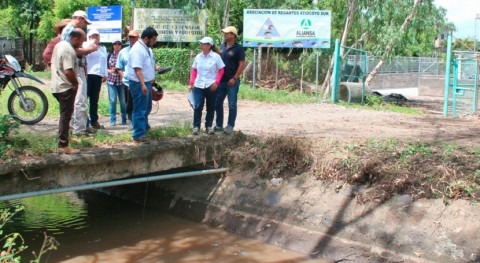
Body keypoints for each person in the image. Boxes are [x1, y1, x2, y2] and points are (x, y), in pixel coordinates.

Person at [61, 10, 99, 137]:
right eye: (84, 21)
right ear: (79, 18)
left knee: (78, 99)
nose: (84, 24)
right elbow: (73, 51)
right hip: (74, 68)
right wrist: (90, 49)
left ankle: (78, 126)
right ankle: (79, 129)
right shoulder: (70, 31)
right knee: (80, 100)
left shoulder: (69, 30)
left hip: (77, 67)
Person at [50, 28, 85, 154]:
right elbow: (68, 70)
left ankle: (65, 137)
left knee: (65, 114)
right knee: (66, 115)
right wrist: (75, 83)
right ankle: (63, 145)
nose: (81, 44)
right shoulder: (69, 50)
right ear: (75, 38)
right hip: (65, 86)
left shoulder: (59, 45)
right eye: (81, 41)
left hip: (56, 84)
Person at [126, 27, 162, 142]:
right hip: (138, 83)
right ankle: (138, 134)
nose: (155, 42)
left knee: (147, 107)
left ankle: (144, 128)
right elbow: (137, 69)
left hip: (146, 82)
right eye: (154, 39)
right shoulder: (137, 50)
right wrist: (143, 85)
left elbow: (148, 66)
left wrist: (153, 77)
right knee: (140, 109)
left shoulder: (147, 49)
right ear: (147, 38)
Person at [189, 36, 225, 135]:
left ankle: (208, 126)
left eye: (203, 44)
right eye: (200, 44)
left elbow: (221, 70)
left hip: (211, 84)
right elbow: (194, 71)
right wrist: (191, 83)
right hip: (199, 84)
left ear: (209, 45)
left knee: (211, 106)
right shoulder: (198, 57)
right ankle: (196, 126)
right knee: (198, 106)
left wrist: (216, 82)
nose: (201, 45)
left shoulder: (216, 57)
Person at [214, 26, 245, 134]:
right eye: (224, 33)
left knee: (232, 104)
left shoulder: (239, 49)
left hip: (232, 81)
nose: (224, 35)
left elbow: (242, 64)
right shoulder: (223, 46)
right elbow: (221, 59)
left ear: (233, 35)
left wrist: (235, 78)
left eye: (227, 33)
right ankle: (219, 125)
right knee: (218, 103)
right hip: (222, 80)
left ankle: (230, 126)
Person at [115, 30, 140, 129]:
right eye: (130, 37)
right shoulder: (123, 52)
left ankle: (139, 121)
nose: (132, 39)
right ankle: (130, 120)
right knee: (128, 102)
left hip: (139, 81)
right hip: (128, 82)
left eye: (134, 37)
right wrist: (123, 76)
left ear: (138, 38)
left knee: (139, 102)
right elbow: (119, 67)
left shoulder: (141, 50)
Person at [84, 28, 107, 129]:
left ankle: (94, 120)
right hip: (88, 74)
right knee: (85, 98)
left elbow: (104, 61)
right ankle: (85, 121)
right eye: (93, 36)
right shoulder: (85, 45)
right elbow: (84, 55)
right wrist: (91, 44)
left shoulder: (102, 48)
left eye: (97, 36)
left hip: (98, 75)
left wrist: (105, 74)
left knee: (95, 99)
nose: (95, 38)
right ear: (89, 37)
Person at [107, 37, 126, 126]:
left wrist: (120, 70)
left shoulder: (124, 55)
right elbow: (104, 67)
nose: (117, 46)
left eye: (119, 44)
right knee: (113, 100)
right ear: (113, 45)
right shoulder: (109, 55)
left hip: (121, 81)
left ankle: (124, 119)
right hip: (111, 81)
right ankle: (112, 120)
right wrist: (109, 71)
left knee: (123, 101)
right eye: (115, 44)